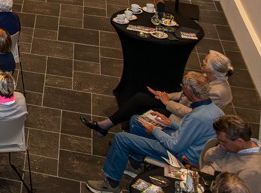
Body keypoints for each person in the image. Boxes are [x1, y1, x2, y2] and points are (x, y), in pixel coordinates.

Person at [86, 71, 224, 193]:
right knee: (137, 120)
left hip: (179, 157)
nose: (182, 88)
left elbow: (174, 145)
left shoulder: (196, 116)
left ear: (188, 89)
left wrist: (154, 130)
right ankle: (134, 165)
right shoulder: (217, 111)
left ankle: (110, 184)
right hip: (186, 146)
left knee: (121, 138)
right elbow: (191, 133)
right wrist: (170, 123)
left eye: (182, 86)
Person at [82, 50, 233, 136]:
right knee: (141, 98)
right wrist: (163, 95)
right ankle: (106, 125)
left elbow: (195, 114)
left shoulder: (218, 92)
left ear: (212, 69)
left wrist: (168, 102)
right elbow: (183, 94)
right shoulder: (209, 78)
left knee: (144, 107)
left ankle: (123, 133)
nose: (202, 62)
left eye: (205, 62)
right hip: (176, 106)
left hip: (180, 118)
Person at [201, 116, 261, 192]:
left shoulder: (252, 171)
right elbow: (207, 159)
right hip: (203, 178)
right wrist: (221, 149)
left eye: (224, 142)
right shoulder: (233, 147)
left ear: (239, 141)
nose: (221, 145)